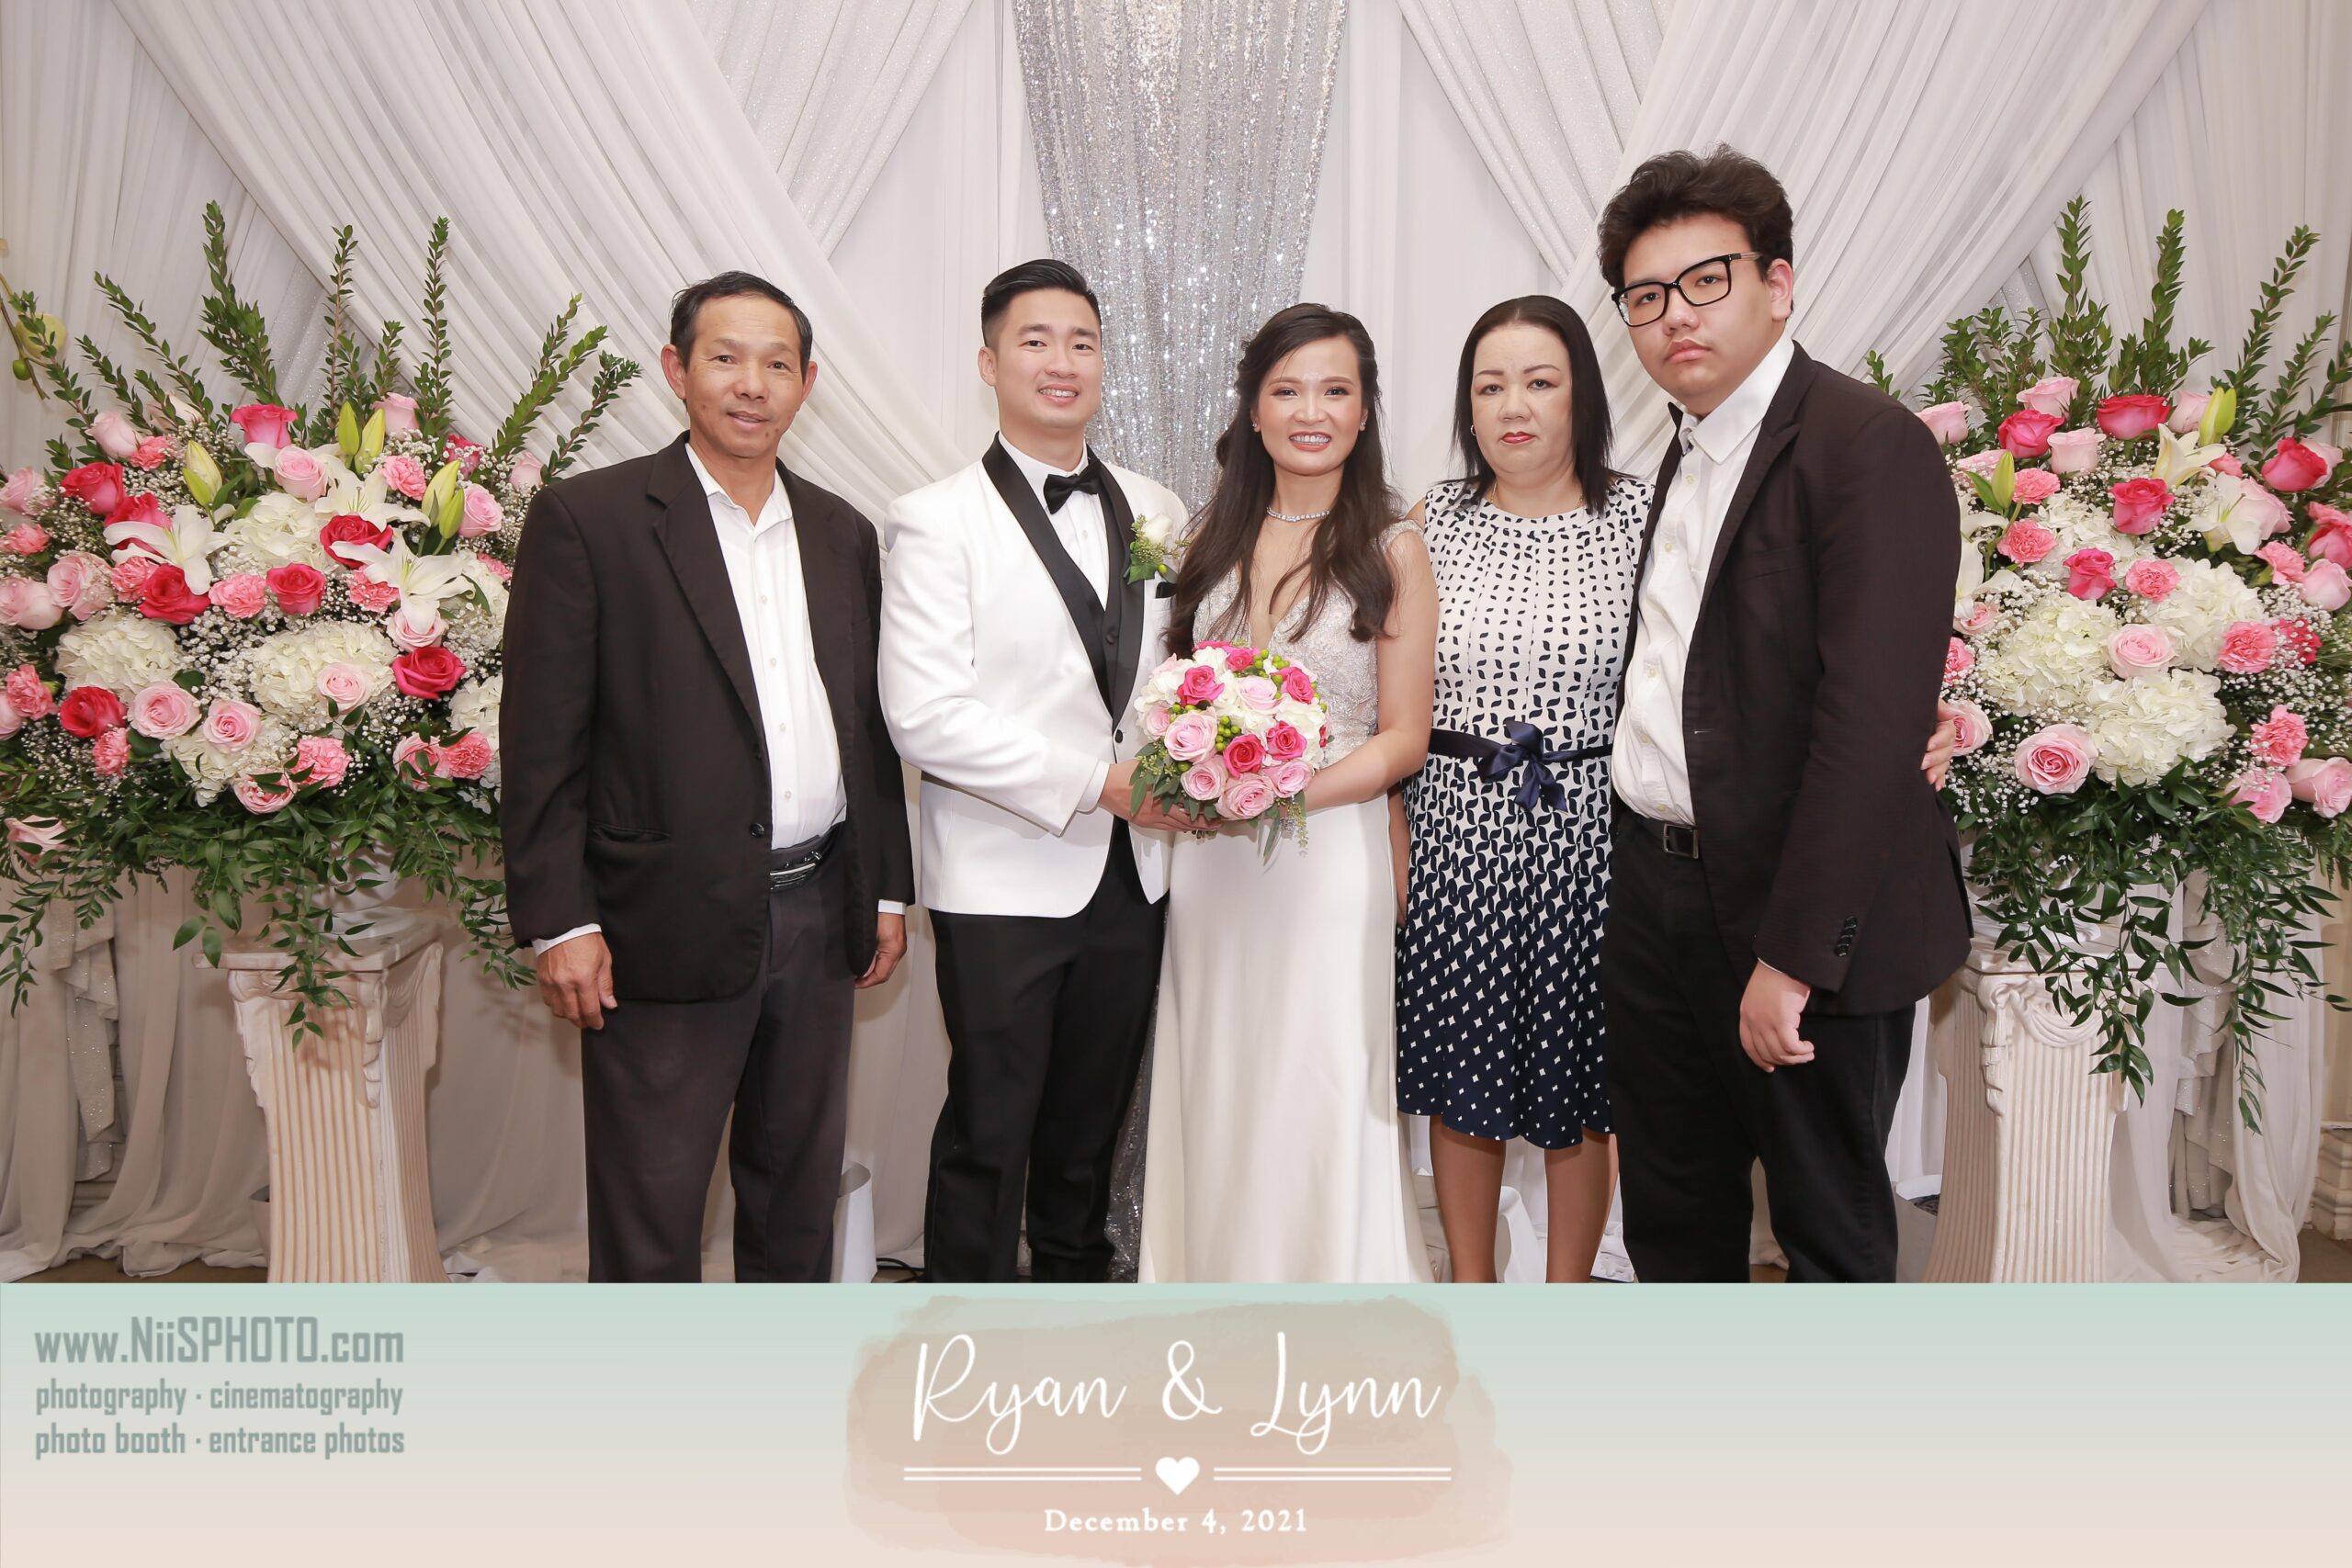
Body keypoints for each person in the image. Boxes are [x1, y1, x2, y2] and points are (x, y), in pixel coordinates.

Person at [1594, 147, 1971, 1282]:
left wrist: (1794, 961)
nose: (1675, 316)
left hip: (1792, 913)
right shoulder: (1683, 452)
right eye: (1645, 297)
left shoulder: (1866, 446)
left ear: (1777, 283)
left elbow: (1868, 727)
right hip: (1655, 892)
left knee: (1826, 1234)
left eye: (1704, 281)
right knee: (1674, 1221)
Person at [502, 271, 914, 1282]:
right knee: (653, 1209)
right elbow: (542, 741)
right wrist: (560, 919)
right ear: (676, 369)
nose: (751, 384)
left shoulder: (841, 531)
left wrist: (884, 891)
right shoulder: (590, 519)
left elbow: (864, 727)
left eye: (777, 364)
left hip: (818, 910)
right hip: (658, 921)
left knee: (796, 1199)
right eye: (726, 358)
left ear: (806, 382)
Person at [879, 259, 1190, 1283]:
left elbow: (1172, 676)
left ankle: (1072, 1315)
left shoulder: (1156, 507)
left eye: (1082, 342)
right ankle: (962, 1333)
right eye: (1036, 341)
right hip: (1000, 874)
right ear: (989, 363)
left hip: (1135, 872)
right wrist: (1097, 783)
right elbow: (924, 715)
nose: (1063, 362)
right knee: (990, 1127)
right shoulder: (934, 518)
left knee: (1088, 1130)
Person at [1137, 304, 1438, 1283]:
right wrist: (1209, 779)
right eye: (1288, 389)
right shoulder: (1203, 536)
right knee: (1220, 1070)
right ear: (1254, 410)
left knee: (1319, 1074)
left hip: (1328, 853)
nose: (1312, 411)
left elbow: (1403, 736)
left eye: (1336, 390)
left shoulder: (1393, 547)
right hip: (1213, 865)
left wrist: (1282, 797)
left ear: (1365, 411)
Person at [1396, 296, 1644, 1282]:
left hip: (1591, 838)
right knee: (1465, 1072)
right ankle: (1471, 1288)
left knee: (1582, 1085)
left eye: (1540, 382)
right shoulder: (1433, 519)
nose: (1513, 406)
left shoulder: (1641, 515)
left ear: (1581, 394)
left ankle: (1566, 1297)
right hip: (1454, 832)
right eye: (1490, 385)